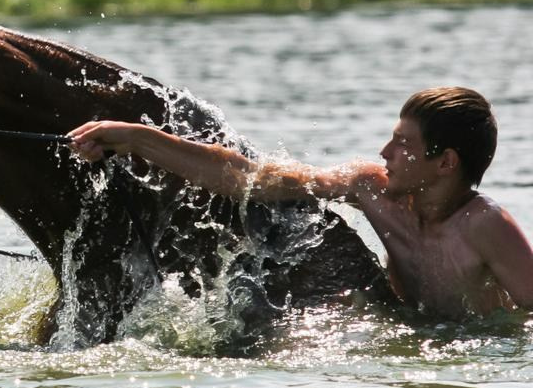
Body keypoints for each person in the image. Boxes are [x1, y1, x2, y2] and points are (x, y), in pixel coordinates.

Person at [68, 86, 533, 320]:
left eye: (403, 144)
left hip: (473, 350)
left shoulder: (485, 225)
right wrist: (138, 139)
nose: (384, 152)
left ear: (446, 162)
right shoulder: (370, 187)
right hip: (411, 331)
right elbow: (250, 178)